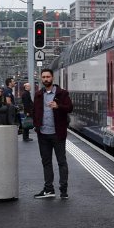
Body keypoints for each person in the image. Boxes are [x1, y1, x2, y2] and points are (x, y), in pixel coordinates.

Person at [32, 68, 73, 199]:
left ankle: (63, 190)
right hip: (43, 134)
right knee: (46, 162)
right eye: (43, 77)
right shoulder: (38, 94)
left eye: (48, 77)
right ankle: (49, 189)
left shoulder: (62, 94)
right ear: (41, 78)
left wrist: (58, 106)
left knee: (62, 162)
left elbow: (70, 108)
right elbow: (35, 111)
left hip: (58, 133)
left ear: (52, 78)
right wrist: (36, 125)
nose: (45, 79)